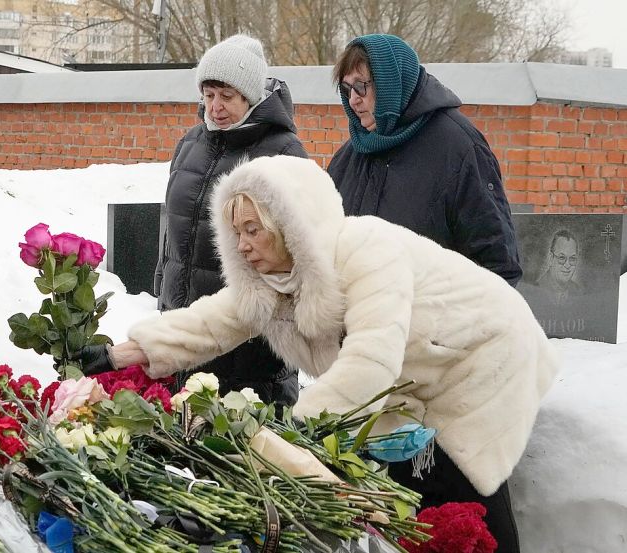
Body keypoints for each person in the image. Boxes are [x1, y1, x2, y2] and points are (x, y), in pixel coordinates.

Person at [111, 156, 558, 553]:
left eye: (253, 229)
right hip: (411, 378)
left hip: (481, 355)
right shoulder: (272, 279)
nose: (243, 245)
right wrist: (121, 356)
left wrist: (297, 433)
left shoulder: (366, 250)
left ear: (288, 225)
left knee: (462, 498)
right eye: (236, 233)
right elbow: (209, 322)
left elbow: (372, 359)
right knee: (398, 496)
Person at [148, 33, 308, 407]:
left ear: (250, 97)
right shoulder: (190, 143)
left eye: (227, 96)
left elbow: (299, 250)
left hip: (249, 344)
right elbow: (173, 223)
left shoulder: (283, 152)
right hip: (186, 327)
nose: (215, 107)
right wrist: (164, 292)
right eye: (208, 95)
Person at [327, 34, 522, 286]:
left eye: (361, 85)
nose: (353, 99)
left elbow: (497, 267)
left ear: (391, 82)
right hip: (359, 321)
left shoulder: (459, 149)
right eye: (347, 88)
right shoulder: (349, 156)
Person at [533, 229, 584, 305]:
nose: (567, 265)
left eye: (572, 258)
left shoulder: (578, 292)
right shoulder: (536, 290)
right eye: (562, 258)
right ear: (551, 258)